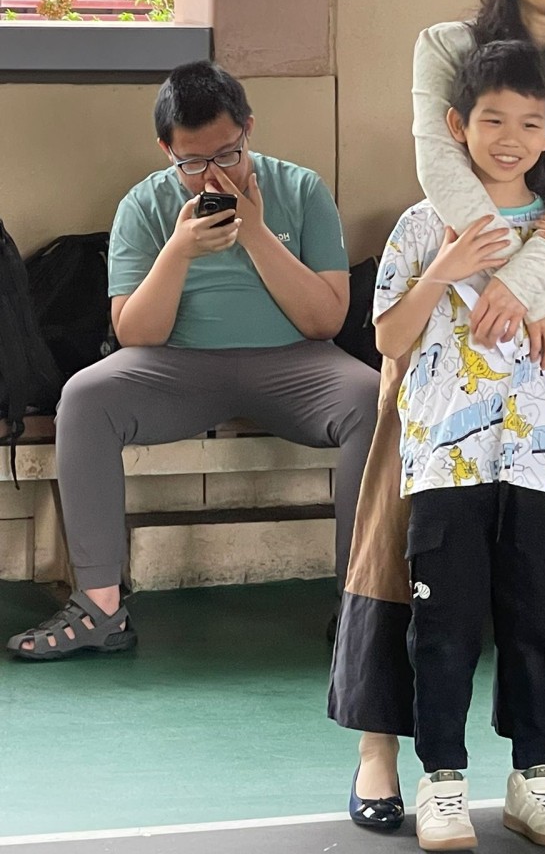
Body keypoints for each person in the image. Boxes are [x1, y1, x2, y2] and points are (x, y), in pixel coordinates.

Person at [330, 0, 545, 825]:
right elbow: (438, 167)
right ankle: (385, 751)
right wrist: (512, 286)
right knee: (406, 542)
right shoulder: (447, 46)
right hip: (454, 323)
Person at [7, 61, 378, 659]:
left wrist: (254, 232)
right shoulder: (144, 205)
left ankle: (363, 601)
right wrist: (177, 251)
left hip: (296, 362)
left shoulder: (302, 189)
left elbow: (327, 320)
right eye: (193, 163)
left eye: (228, 155)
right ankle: (100, 606)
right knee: (85, 397)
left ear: (248, 129)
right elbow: (135, 334)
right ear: (167, 152)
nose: (213, 175)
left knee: (372, 398)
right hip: (178, 367)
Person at [375, 40, 545, 849]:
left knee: (536, 627)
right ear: (456, 126)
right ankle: (441, 783)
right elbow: (389, 338)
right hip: (445, 465)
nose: (511, 138)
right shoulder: (421, 224)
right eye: (493, 120)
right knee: (443, 633)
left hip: (535, 464)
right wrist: (442, 269)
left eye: (529, 124)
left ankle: (533, 779)